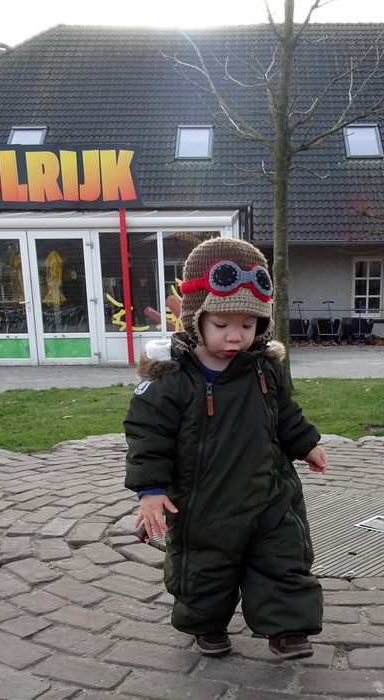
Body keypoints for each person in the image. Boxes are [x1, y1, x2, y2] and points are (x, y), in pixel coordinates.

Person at [123, 236, 327, 660]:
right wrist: (151, 490)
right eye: (222, 326)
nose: (235, 337)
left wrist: (305, 443)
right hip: (204, 500)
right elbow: (147, 436)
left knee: (282, 559)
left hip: (270, 493)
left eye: (248, 326)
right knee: (204, 567)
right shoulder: (172, 379)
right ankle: (206, 624)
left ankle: (287, 629)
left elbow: (284, 412)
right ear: (196, 320)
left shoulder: (264, 368)